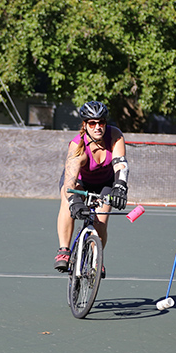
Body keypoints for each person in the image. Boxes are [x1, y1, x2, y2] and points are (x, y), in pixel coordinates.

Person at [54, 101, 128, 275]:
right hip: (79, 183)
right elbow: (70, 181)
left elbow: (121, 164)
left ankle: (96, 258)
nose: (97, 127)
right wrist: (74, 201)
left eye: (101, 122)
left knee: (100, 220)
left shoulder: (115, 135)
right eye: (92, 123)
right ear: (85, 125)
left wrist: (120, 186)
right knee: (67, 203)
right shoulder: (77, 145)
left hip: (105, 183)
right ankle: (64, 250)